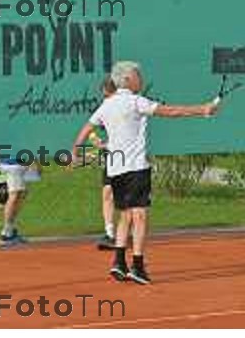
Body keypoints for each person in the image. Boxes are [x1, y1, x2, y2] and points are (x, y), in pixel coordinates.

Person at [72, 61, 218, 284]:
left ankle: (119, 263)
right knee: (139, 216)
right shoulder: (135, 101)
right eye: (138, 75)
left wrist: (75, 151)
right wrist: (203, 110)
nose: (141, 78)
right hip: (136, 169)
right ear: (128, 79)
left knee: (126, 216)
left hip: (116, 170)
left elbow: (86, 128)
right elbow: (172, 112)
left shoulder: (107, 105)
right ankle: (137, 266)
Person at [93, 75, 117, 250]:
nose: (105, 99)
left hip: (129, 158)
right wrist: (100, 143)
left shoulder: (128, 107)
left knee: (126, 199)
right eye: (104, 95)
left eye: (107, 95)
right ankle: (110, 234)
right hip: (112, 156)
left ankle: (125, 233)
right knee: (107, 192)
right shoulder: (104, 109)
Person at [0, 158, 41, 245]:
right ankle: (6, 232)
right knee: (14, 195)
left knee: (20, 195)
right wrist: (36, 163)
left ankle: (10, 229)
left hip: (18, 163)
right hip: (13, 165)